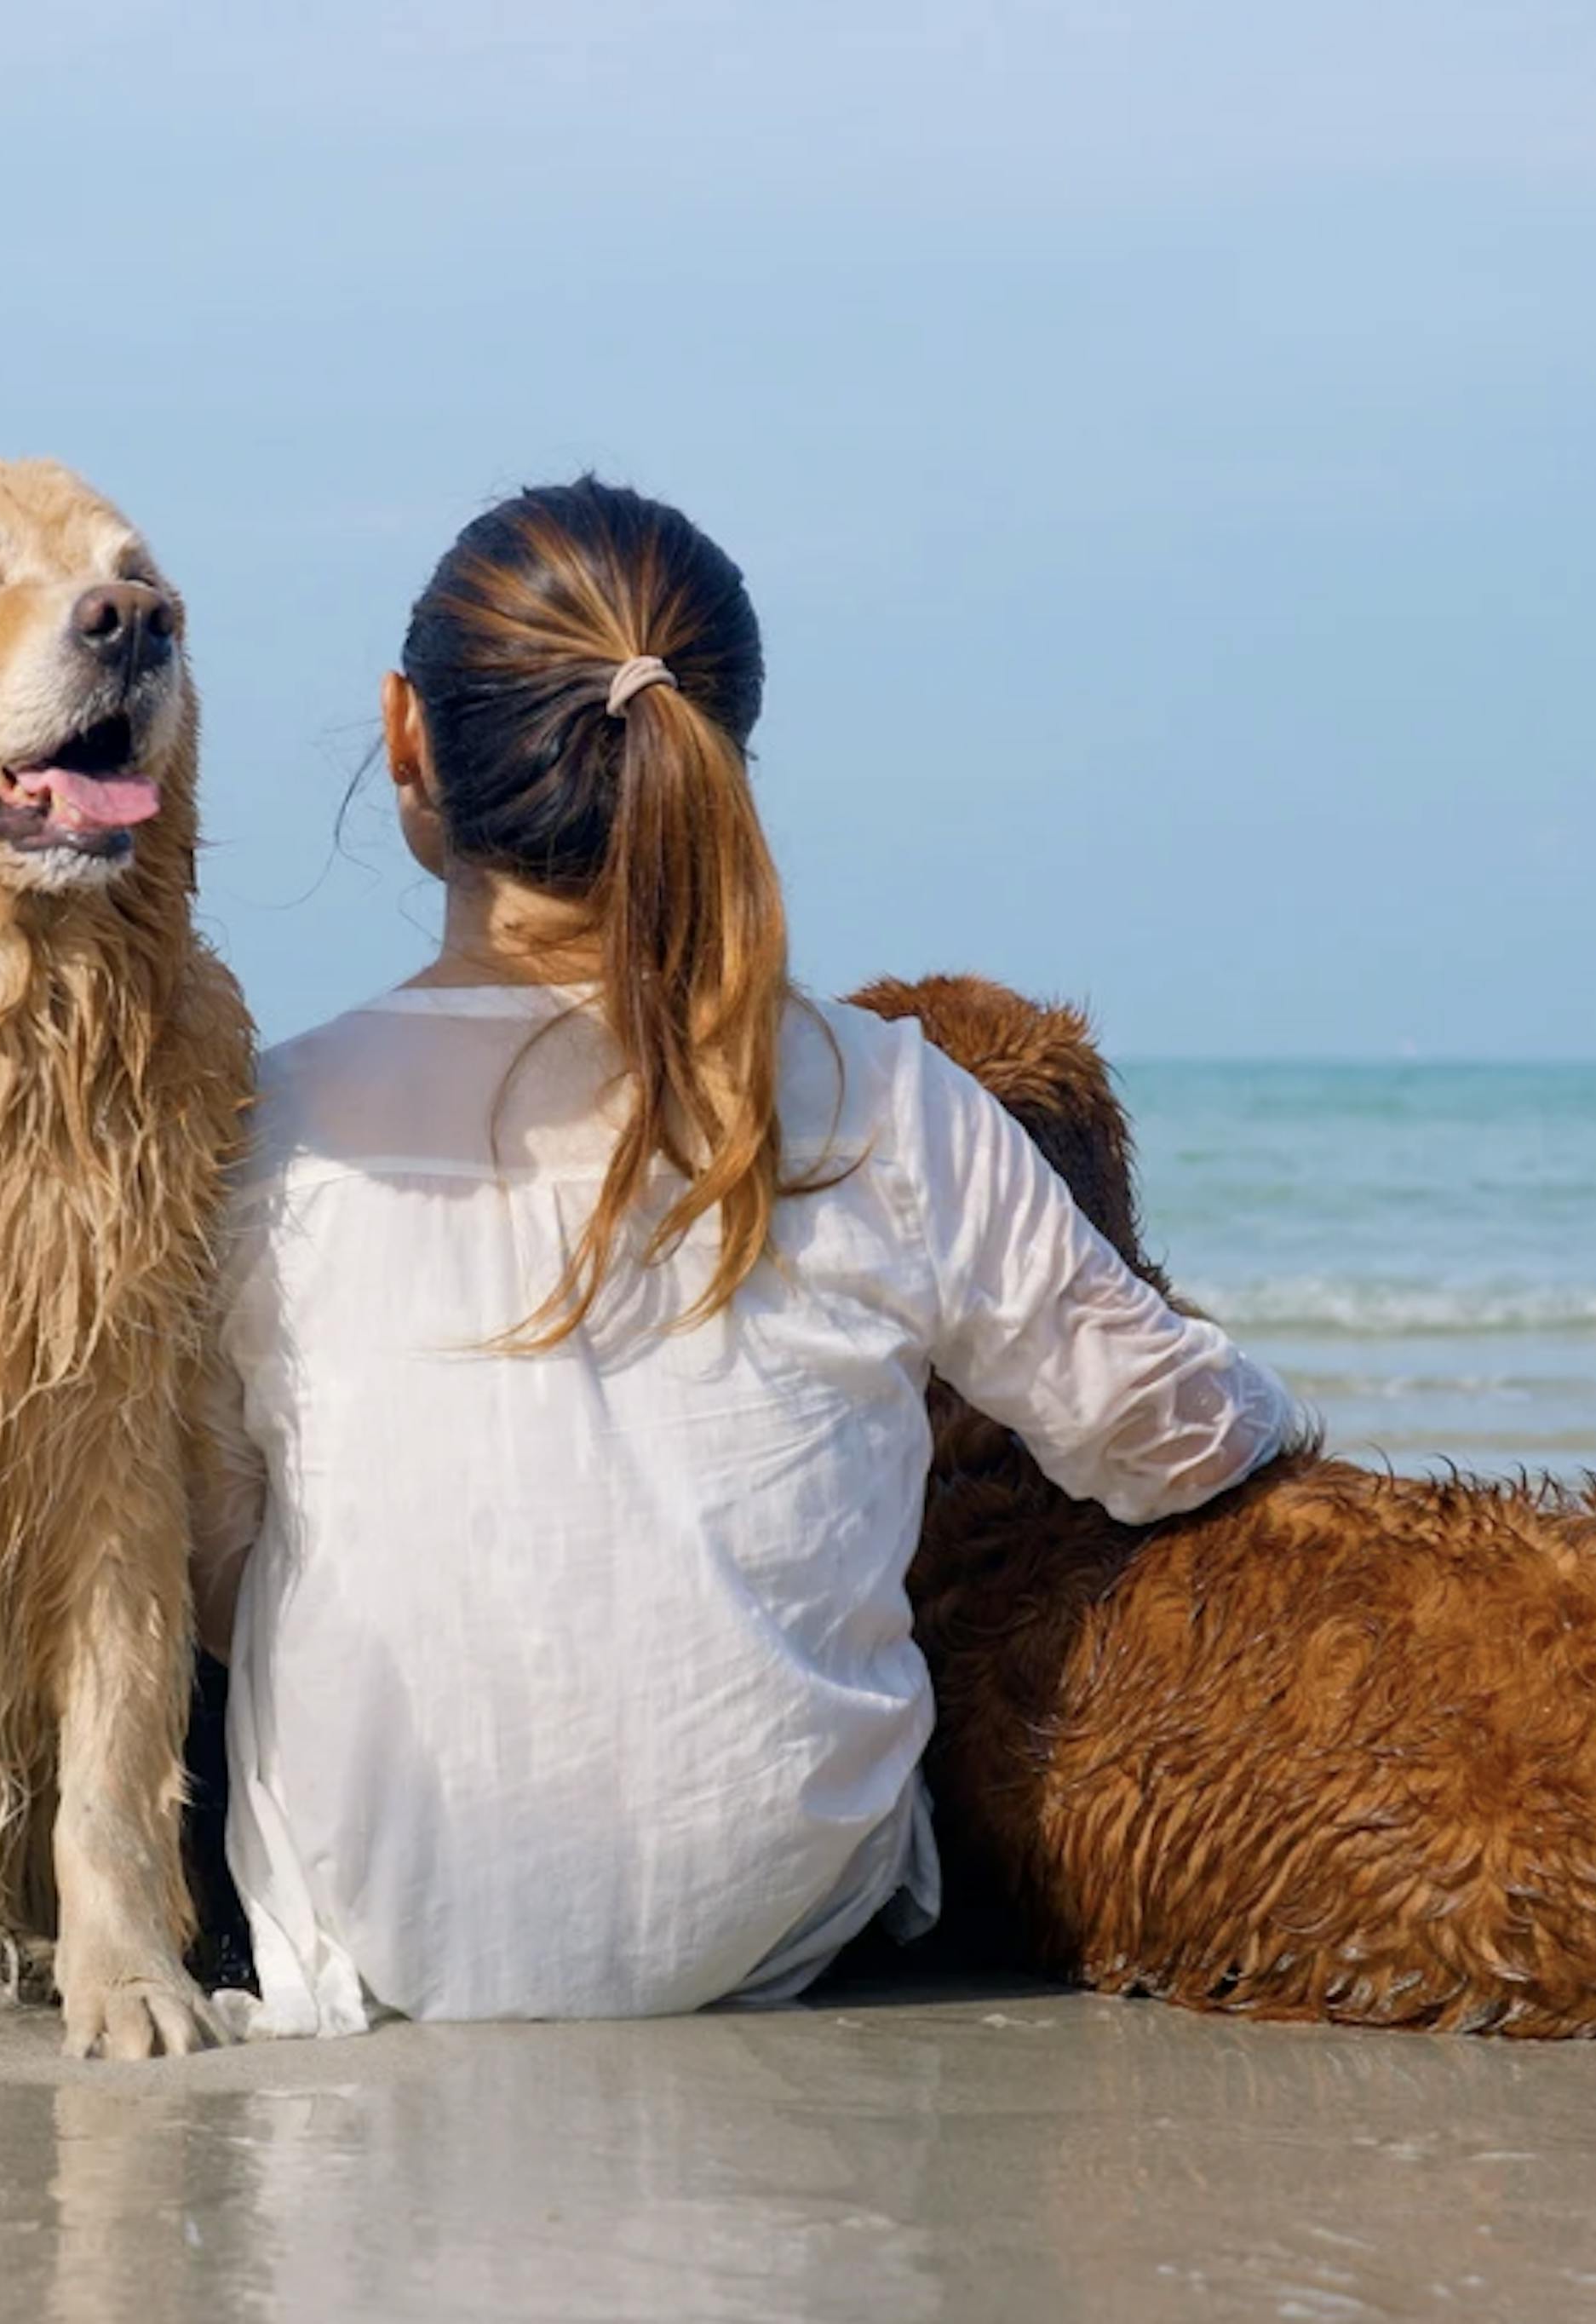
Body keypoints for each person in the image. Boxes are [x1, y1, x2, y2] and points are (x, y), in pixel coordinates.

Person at [194, 477, 1294, 2036]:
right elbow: (1168, 1441)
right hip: (781, 1925)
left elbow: (219, 1573)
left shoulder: (272, 1127)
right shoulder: (884, 1094)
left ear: (405, 740)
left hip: (377, 1948)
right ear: (723, 755)